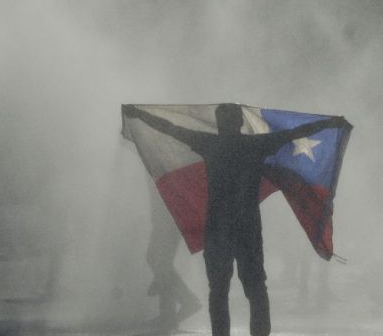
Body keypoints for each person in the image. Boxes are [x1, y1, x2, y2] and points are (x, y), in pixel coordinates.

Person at [122, 103, 345, 336]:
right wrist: (329, 123)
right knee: (256, 288)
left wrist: (139, 114)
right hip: (248, 227)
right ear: (240, 122)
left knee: (218, 291)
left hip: (217, 228)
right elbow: (294, 133)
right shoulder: (255, 145)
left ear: (218, 123)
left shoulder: (209, 143)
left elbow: (169, 128)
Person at [146, 179, 201, 328]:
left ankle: (186, 302)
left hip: (170, 214)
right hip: (167, 213)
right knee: (160, 262)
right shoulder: (154, 159)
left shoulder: (161, 158)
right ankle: (169, 314)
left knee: (158, 260)